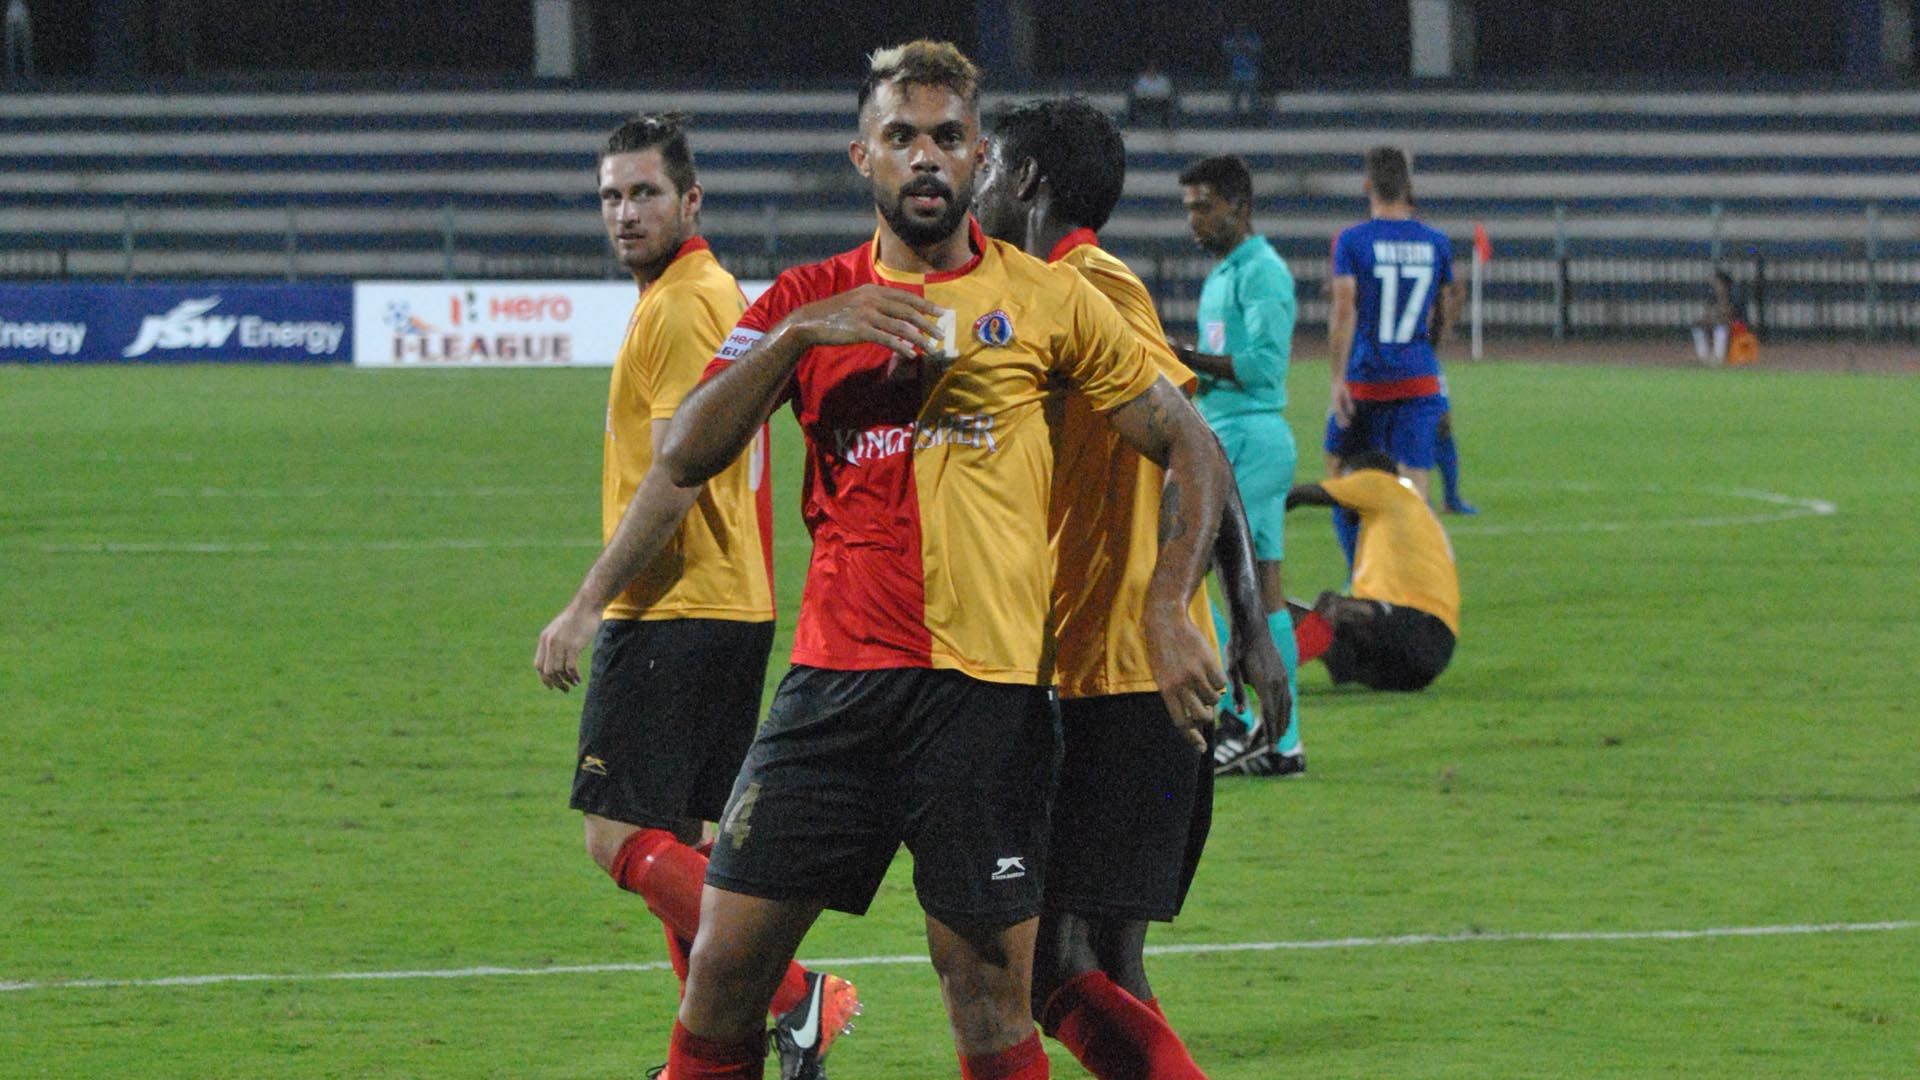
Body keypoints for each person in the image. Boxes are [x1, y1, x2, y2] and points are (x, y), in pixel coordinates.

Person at [654, 41, 1238, 1080]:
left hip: (987, 705)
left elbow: (1188, 443)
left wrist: (1167, 606)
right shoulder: (807, 294)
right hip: (833, 692)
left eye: (948, 138)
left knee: (989, 1002)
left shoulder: (1052, 300)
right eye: (901, 137)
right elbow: (686, 449)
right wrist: (800, 338)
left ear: (979, 159)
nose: (925, 157)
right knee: (723, 977)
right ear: (861, 157)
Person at [529, 112, 857, 1080]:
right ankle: (714, 1052)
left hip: (675, 605)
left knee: (617, 834)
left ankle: (797, 995)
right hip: (728, 602)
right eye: (611, 196)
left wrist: (589, 603)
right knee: (682, 839)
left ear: (692, 200)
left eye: (644, 194)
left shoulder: (680, 307)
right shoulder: (710, 292)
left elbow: (677, 478)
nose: (624, 213)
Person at [974, 96, 1291, 1079]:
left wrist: (1248, 628)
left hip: (1114, 676)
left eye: (989, 164)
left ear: (1027, 183)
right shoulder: (1045, 291)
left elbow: (1203, 456)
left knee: (1054, 971)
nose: (976, 181)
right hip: (1104, 673)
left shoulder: (1092, 289)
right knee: (1103, 959)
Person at [1173, 153, 1304, 778]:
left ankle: (1236, 720)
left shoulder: (1264, 273)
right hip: (1231, 434)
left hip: (1251, 438)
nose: (1194, 219)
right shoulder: (1226, 273)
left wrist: (1180, 357)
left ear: (1239, 206)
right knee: (1260, 591)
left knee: (1200, 576)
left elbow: (1259, 368)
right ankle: (1278, 740)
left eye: (1204, 206)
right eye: (1188, 208)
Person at [1326, 146, 1466, 562]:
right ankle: (1418, 583)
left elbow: (1343, 310)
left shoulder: (1351, 240)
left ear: (1368, 185)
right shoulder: (1436, 242)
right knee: (1414, 481)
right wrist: (1431, 351)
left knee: (1338, 471)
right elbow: (1446, 306)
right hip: (1418, 377)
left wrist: (1337, 379)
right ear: (1409, 187)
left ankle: (1360, 570)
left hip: (1366, 378)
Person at [1284, 450, 1459, 691]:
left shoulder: (1384, 485)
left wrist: (1243, 517)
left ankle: (1275, 678)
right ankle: (1254, 673)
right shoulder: (1393, 517)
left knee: (1334, 606)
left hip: (1425, 633)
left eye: (1347, 480)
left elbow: (1297, 495)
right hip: (1393, 661)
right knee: (1280, 612)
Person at [1220, 20, 1262, 121]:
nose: (1240, 30)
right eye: (1238, 27)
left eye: (1243, 27)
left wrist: (1244, 47)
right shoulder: (1230, 39)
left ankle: (1254, 117)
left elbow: (1256, 51)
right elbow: (1227, 51)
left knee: (1253, 97)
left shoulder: (1253, 38)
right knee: (1235, 97)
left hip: (1250, 73)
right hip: (1236, 72)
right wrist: (1237, 47)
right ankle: (1234, 117)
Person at [1127, 56, 1176, 128]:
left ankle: (1165, 126)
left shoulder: (1163, 80)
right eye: (1150, 68)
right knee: (1134, 103)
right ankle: (1134, 125)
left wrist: (1157, 96)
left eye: (1154, 68)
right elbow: (1138, 93)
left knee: (1167, 103)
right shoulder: (1141, 80)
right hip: (1145, 102)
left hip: (1159, 102)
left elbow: (1167, 92)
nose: (1152, 70)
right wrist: (1148, 96)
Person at [4, 0, 31, 82]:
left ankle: (27, 74)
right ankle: (11, 74)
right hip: (13, 13)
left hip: (20, 13)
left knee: (25, 47)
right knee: (11, 47)